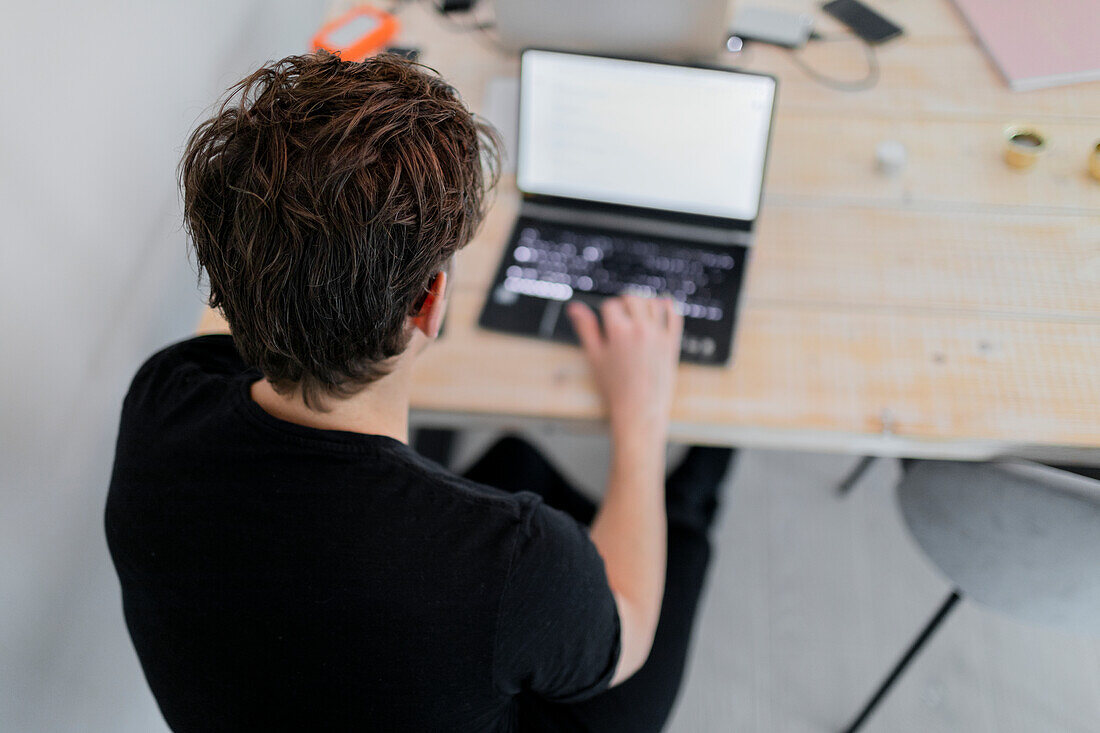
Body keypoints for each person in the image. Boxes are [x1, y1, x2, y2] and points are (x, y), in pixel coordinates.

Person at [105, 52, 733, 732]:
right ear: (430, 302)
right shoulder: (513, 562)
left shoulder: (162, 400)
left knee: (517, 459)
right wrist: (640, 418)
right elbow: (630, 629)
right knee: (683, 542)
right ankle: (698, 487)